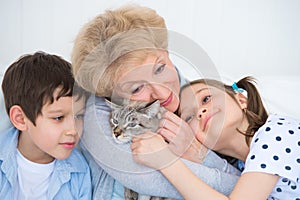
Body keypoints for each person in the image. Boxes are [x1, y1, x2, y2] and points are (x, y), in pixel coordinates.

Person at [72, 4, 241, 199]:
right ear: (109, 94)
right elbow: (243, 189)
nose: (163, 93)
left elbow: (255, 187)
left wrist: (199, 154)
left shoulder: (204, 97)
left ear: (166, 51)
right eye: (137, 88)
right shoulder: (97, 115)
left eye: (159, 69)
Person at [131, 76, 300, 199]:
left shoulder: (276, 133)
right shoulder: (244, 169)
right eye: (189, 117)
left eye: (206, 98)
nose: (200, 111)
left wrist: (164, 161)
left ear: (241, 100)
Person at [0, 52, 92, 199]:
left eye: (78, 116)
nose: (73, 130)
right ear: (20, 119)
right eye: (58, 117)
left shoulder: (80, 171)